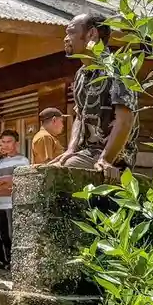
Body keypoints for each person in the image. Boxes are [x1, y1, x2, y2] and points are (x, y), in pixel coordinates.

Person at [50, 13, 140, 181]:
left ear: (91, 34)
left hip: (115, 157)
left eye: (71, 32)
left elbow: (125, 121)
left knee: (59, 174)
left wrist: (106, 159)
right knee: (46, 170)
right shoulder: (81, 74)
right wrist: (71, 149)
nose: (65, 39)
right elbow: (80, 117)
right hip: (86, 153)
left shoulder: (118, 68)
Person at [0, 130, 29, 269]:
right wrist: (3, 183)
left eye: (9, 142)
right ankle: (8, 263)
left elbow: (17, 180)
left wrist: (0, 185)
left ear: (16, 143)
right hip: (0, 204)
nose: (5, 145)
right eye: (3, 142)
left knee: (13, 235)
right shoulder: (0, 163)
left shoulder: (23, 161)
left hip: (13, 203)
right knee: (3, 236)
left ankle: (17, 264)